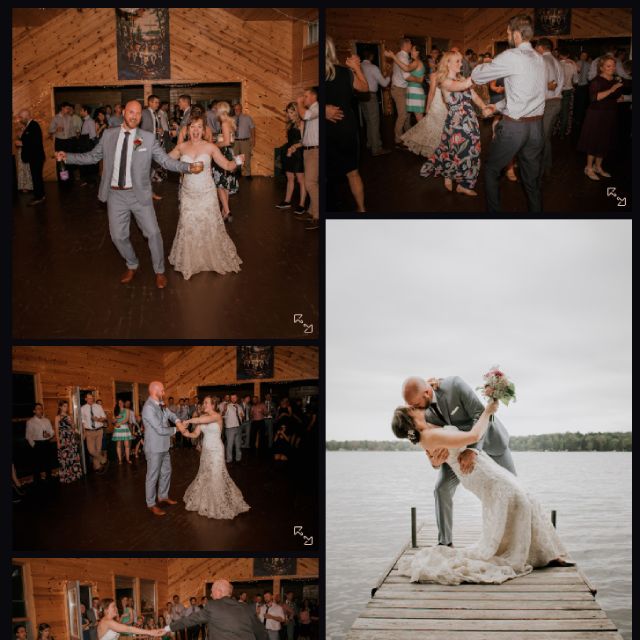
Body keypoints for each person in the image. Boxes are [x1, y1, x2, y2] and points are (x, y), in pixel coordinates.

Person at [392, 395, 572, 584]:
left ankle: (545, 554)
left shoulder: (425, 432)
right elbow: (473, 436)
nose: (414, 407)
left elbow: (435, 460)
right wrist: (488, 411)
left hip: (482, 464)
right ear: (411, 419)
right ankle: (524, 552)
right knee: (520, 498)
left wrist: (436, 461)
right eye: (411, 409)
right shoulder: (430, 436)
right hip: (477, 472)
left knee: (525, 498)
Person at [56, 100, 201, 290]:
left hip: (139, 195)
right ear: (124, 112)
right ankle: (132, 264)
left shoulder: (147, 139)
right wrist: (68, 156)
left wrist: (187, 167)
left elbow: (166, 161)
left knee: (154, 234)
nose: (134, 116)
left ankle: (159, 271)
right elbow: (92, 156)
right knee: (118, 236)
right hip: (116, 195)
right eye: (131, 112)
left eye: (138, 114)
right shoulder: (108, 135)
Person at [401, 376, 515, 546]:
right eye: (411, 406)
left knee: (515, 491)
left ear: (426, 392)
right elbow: (429, 446)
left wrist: (472, 449)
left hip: (489, 443)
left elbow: (479, 413)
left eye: (415, 404)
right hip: (455, 455)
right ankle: (444, 543)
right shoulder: (420, 413)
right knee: (441, 489)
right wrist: (435, 462)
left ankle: (516, 538)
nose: (414, 408)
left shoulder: (454, 385)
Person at [471, 14, 546, 213]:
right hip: (537, 127)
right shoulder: (539, 59)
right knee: (531, 179)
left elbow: (477, 76)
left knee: (491, 170)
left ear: (516, 33)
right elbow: (526, 95)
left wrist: (487, 62)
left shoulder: (511, 56)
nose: (507, 36)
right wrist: (496, 107)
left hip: (515, 128)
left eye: (507, 32)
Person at [167, 114, 242, 279]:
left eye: (199, 127)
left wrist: (237, 161)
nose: (195, 130)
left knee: (209, 225)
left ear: (204, 129)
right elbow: (165, 161)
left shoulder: (210, 147)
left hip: (207, 193)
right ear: (187, 129)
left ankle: (211, 258)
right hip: (188, 194)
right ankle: (191, 261)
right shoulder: (181, 147)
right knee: (188, 225)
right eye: (192, 126)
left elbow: (228, 166)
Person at [419, 51, 493, 196]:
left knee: (473, 152)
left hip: (470, 122)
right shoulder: (444, 81)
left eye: (461, 61)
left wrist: (484, 107)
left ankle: (464, 185)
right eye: (457, 61)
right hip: (456, 124)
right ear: (447, 63)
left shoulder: (463, 78)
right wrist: (482, 70)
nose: (461, 63)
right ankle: (449, 174)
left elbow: (474, 96)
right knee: (456, 152)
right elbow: (461, 86)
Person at [180, 396, 250, 518]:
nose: (204, 404)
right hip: (206, 452)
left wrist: (188, 421)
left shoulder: (217, 416)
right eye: (203, 402)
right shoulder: (201, 418)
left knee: (216, 476)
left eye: (206, 403)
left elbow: (202, 420)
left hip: (216, 451)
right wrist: (184, 432)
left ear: (213, 405)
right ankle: (207, 502)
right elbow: (195, 434)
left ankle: (219, 505)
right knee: (205, 475)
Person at [325, 37, 368, 213]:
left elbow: (365, 89)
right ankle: (360, 208)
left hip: (339, 129)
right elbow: (365, 88)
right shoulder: (344, 72)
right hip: (343, 126)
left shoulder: (342, 72)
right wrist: (356, 68)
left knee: (343, 172)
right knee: (350, 172)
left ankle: (359, 208)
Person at [142, 380, 188, 516]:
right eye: (162, 390)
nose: (164, 392)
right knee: (152, 476)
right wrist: (177, 429)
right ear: (155, 391)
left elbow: (170, 415)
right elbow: (160, 429)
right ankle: (151, 504)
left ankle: (162, 496)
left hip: (164, 446)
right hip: (154, 448)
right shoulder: (148, 407)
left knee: (166, 471)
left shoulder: (160, 403)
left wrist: (178, 421)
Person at [577, 55, 625, 180]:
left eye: (613, 66)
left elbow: (616, 97)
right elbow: (594, 98)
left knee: (604, 141)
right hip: (596, 115)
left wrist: (620, 97)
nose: (612, 68)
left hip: (610, 114)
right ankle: (589, 168)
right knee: (594, 141)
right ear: (602, 68)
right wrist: (612, 90)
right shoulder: (596, 81)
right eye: (608, 66)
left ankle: (598, 166)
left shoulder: (615, 80)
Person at [167, 580, 267, 639]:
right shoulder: (247, 607)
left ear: (219, 592)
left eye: (212, 592)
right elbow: (262, 634)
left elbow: (190, 619)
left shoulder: (212, 606)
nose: (210, 595)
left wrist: (166, 628)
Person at [400, 53, 448, 159]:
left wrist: (427, 107)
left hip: (441, 103)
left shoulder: (440, 75)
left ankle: (438, 149)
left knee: (436, 126)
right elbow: (431, 92)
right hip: (439, 102)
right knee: (436, 126)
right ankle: (436, 149)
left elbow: (432, 92)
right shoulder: (439, 75)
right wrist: (428, 106)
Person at [535, 39, 563, 178]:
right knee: (545, 137)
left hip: (548, 103)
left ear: (541, 47)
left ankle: (541, 168)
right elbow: (555, 83)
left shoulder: (542, 60)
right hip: (555, 102)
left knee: (542, 137)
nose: (534, 49)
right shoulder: (556, 61)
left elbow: (543, 85)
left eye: (536, 46)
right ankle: (546, 166)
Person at [276, 102, 307, 214]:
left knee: (300, 179)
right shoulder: (289, 124)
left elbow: (304, 141)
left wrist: (294, 147)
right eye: (288, 112)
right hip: (289, 152)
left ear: (297, 111)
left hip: (298, 153)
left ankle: (302, 205)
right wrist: (289, 149)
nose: (289, 114)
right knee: (289, 178)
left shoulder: (302, 123)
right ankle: (287, 201)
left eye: (291, 112)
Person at [359, 48, 390, 156]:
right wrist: (389, 76)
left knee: (368, 121)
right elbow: (384, 83)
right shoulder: (373, 67)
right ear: (371, 57)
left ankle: (369, 143)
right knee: (374, 122)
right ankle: (376, 148)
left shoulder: (359, 67)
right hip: (370, 96)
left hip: (361, 96)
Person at [296, 87, 319, 230]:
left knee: (310, 183)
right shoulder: (313, 110)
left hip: (315, 151)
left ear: (313, 97)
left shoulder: (317, 108)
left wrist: (299, 103)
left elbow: (305, 115)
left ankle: (318, 216)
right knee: (312, 182)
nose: (303, 98)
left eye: (305, 96)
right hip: (309, 150)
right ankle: (311, 212)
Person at [212, 101, 239, 220]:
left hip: (223, 154)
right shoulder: (230, 122)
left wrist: (215, 145)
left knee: (219, 184)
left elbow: (227, 142)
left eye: (216, 110)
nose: (214, 112)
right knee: (225, 184)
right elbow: (231, 141)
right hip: (229, 153)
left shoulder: (224, 123)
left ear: (220, 111)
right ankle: (224, 211)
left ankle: (227, 211)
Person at [385, 45, 426, 122]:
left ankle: (427, 134)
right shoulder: (415, 62)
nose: (411, 51)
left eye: (413, 50)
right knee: (419, 118)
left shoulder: (417, 62)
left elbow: (406, 68)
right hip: (414, 91)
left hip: (416, 92)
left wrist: (393, 56)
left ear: (417, 52)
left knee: (420, 120)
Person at [16, 109, 46, 205]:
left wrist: (22, 143)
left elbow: (36, 141)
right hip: (34, 156)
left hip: (36, 156)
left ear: (26, 116)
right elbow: (30, 138)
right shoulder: (29, 125)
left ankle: (39, 197)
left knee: (37, 177)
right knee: (36, 177)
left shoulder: (34, 125)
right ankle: (40, 195)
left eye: (21, 117)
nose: (20, 119)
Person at [96, 598, 163, 639]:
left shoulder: (110, 621)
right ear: (106, 609)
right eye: (113, 606)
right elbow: (128, 629)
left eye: (116, 606)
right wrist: (150, 632)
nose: (116, 609)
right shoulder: (107, 621)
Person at [25, 403, 56, 485]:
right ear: (34, 411)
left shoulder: (46, 420)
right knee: (37, 465)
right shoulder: (30, 422)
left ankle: (49, 479)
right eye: (38, 408)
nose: (40, 410)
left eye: (41, 408)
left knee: (48, 463)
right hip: (37, 444)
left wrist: (50, 435)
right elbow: (28, 436)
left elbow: (52, 432)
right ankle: (37, 482)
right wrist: (34, 445)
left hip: (46, 443)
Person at [53, 400, 83, 483]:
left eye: (66, 406)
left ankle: (74, 475)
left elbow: (73, 428)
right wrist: (58, 442)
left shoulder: (69, 416)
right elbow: (56, 430)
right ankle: (66, 476)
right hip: (63, 439)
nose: (66, 408)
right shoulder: (57, 417)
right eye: (64, 406)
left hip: (71, 438)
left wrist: (72, 423)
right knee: (65, 458)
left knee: (72, 456)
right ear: (60, 407)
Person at [390, 38, 413, 144]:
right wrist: (418, 80)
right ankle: (398, 138)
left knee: (406, 113)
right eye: (410, 44)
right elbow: (406, 75)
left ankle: (408, 134)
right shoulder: (403, 56)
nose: (411, 46)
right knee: (403, 114)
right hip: (399, 89)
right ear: (406, 45)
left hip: (401, 87)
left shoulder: (401, 55)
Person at [81, 393, 109, 473]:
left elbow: (104, 418)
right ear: (86, 399)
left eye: (92, 398)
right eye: (89, 398)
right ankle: (103, 459)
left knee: (98, 450)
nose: (91, 399)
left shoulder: (98, 406)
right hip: (89, 432)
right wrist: (83, 432)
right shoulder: (82, 408)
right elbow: (82, 422)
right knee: (91, 451)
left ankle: (97, 467)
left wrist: (98, 419)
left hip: (99, 430)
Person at [232, 103, 255, 178]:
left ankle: (248, 174)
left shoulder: (247, 118)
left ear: (241, 109)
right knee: (236, 157)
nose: (236, 110)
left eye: (238, 109)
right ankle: (238, 172)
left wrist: (253, 138)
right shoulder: (232, 119)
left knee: (246, 157)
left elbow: (252, 128)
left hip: (245, 141)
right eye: (235, 109)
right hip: (235, 141)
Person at [112, 398, 135, 464]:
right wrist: (116, 418)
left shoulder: (127, 410)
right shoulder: (116, 410)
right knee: (118, 445)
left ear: (123, 403)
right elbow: (113, 421)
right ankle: (120, 460)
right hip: (118, 428)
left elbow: (127, 419)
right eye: (119, 403)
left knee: (127, 445)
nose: (120, 404)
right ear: (117, 404)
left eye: (121, 402)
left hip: (124, 427)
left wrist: (119, 423)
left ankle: (127, 459)